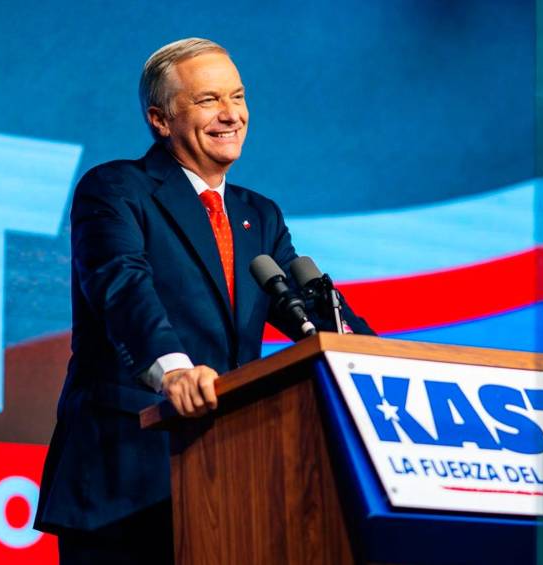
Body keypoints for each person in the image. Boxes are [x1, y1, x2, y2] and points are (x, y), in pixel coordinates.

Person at [33, 38, 373, 564]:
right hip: (127, 480)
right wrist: (173, 372)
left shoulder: (258, 216)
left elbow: (303, 309)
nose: (231, 114)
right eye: (209, 100)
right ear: (160, 119)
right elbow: (122, 287)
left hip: (233, 481)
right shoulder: (117, 188)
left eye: (237, 97)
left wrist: (373, 362)